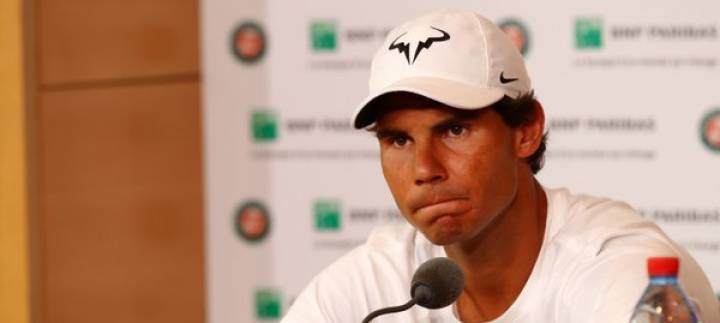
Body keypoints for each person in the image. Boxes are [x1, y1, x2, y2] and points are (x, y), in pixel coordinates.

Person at [281, 9, 720, 322]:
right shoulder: (377, 283)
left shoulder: (619, 269)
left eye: (454, 131)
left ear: (526, 131)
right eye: (398, 140)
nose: (424, 168)